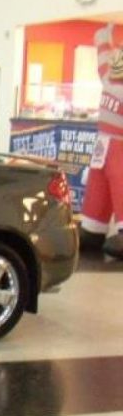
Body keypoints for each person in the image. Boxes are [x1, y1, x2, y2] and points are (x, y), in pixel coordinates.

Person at [81, 23, 123, 259]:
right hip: (104, 141)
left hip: (119, 143)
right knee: (98, 182)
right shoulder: (113, 73)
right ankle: (92, 227)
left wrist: (103, 40)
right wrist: (104, 39)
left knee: (120, 181)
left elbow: (105, 68)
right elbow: (106, 69)